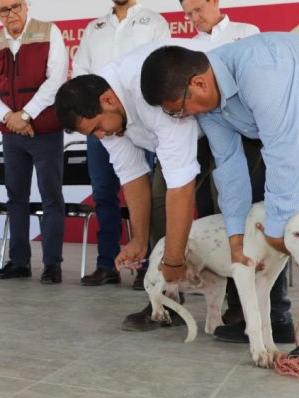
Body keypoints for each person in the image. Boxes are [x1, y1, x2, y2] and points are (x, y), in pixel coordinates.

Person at [140, 32, 299, 372]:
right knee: (262, 200)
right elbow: (230, 169)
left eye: (178, 110)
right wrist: (237, 238)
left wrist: (280, 234)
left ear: (199, 84)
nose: (181, 117)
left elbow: (283, 153)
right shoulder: (209, 106)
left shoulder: (259, 70)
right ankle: (274, 320)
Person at [55, 38, 203, 329]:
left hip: (224, 124)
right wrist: (138, 240)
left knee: (222, 204)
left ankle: (250, 308)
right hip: (182, 134)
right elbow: (133, 176)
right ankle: (166, 302)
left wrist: (174, 261)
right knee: (158, 205)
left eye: (98, 128)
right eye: (92, 133)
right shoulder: (106, 115)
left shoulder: (149, 91)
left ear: (108, 101)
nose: (100, 136)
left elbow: (181, 185)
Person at [179, 0, 293, 344]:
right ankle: (236, 307)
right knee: (219, 217)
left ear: (214, 0)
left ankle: (274, 311)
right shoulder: (188, 48)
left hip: (254, 138)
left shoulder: (247, 33)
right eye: (188, 14)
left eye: (198, 9)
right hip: (211, 139)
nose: (194, 18)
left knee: (259, 219)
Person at [71, 0, 169, 289]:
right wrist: (93, 110)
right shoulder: (94, 28)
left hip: (141, 120)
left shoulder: (154, 22)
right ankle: (107, 264)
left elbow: (160, 67)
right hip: (101, 123)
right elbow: (80, 70)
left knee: (150, 193)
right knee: (103, 194)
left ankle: (148, 265)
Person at [0, 0, 68, 284]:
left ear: (25, 4)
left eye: (15, 6)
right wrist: (10, 117)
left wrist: (26, 114)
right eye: (4, 10)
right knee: (15, 197)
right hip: (12, 133)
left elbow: (55, 80)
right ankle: (19, 262)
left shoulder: (49, 32)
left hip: (45, 130)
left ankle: (52, 264)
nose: (11, 14)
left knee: (51, 198)